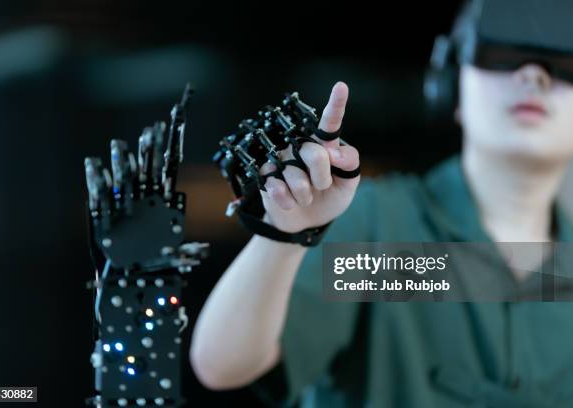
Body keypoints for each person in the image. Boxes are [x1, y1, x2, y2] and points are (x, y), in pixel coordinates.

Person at [190, 1, 573, 406]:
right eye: (502, 54)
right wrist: (285, 234)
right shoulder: (380, 229)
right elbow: (223, 364)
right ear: (451, 84)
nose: (534, 76)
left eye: (565, 63)